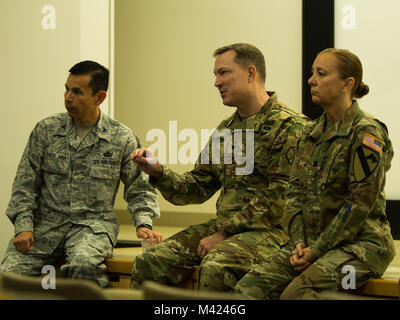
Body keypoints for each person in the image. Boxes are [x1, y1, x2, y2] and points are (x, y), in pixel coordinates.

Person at [130, 43, 308, 292]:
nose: (216, 82)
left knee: (216, 266)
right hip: (227, 229)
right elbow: (197, 187)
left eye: (224, 73)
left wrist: (225, 233)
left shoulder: (290, 126)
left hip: (274, 232)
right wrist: (158, 171)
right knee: (150, 262)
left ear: (250, 73)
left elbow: (281, 199)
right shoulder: (226, 131)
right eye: (215, 75)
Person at [234, 48, 395, 299]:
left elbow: (358, 204)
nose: (311, 80)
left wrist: (317, 250)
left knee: (299, 293)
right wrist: (300, 243)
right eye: (312, 73)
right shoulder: (310, 133)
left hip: (361, 249)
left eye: (321, 74)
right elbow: (294, 195)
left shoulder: (367, 133)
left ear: (347, 84)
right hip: (310, 245)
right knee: (248, 289)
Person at [0, 60, 163, 287]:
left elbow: (140, 188)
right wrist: (23, 226)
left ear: (99, 97)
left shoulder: (121, 138)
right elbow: (24, 184)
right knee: (9, 274)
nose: (68, 97)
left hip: (92, 226)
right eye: (66, 89)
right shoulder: (46, 130)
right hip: (46, 225)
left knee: (83, 267)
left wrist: (143, 224)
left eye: (77, 92)